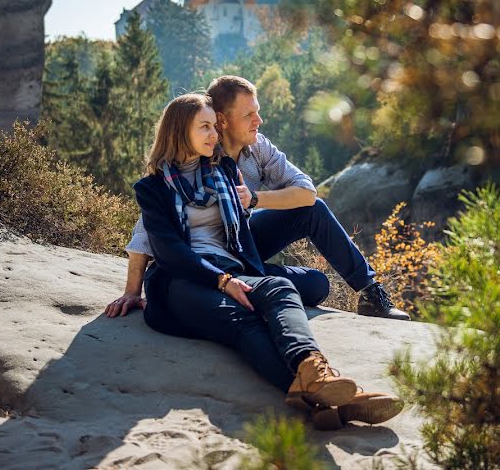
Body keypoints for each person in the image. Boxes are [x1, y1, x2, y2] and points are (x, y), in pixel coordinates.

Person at [117, 93, 402, 430]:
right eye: (204, 127)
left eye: (214, 126)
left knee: (280, 288)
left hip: (231, 268)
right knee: (246, 321)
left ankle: (317, 377)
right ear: (180, 132)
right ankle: (339, 399)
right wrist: (136, 289)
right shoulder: (154, 188)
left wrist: (238, 269)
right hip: (180, 280)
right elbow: (167, 250)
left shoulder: (223, 168)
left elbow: (303, 194)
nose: (213, 134)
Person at [108, 75, 410, 321]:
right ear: (223, 121)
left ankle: (371, 292)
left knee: (315, 232)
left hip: (242, 244)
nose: (259, 120)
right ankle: (249, 285)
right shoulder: (196, 154)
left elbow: (307, 192)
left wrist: (254, 199)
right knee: (313, 285)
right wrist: (132, 291)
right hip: (202, 257)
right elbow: (147, 227)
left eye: (258, 111)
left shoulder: (258, 148)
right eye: (249, 114)